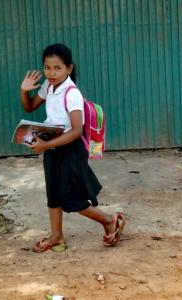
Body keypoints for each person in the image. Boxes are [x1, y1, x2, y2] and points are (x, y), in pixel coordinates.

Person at [20, 43, 125, 253]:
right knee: (53, 195)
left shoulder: (71, 93)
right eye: (47, 67)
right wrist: (24, 90)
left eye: (57, 68)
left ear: (69, 68)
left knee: (72, 199)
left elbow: (77, 130)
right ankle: (56, 236)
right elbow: (30, 106)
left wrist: (46, 145)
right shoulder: (49, 87)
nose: (51, 73)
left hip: (70, 149)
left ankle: (109, 220)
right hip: (52, 147)